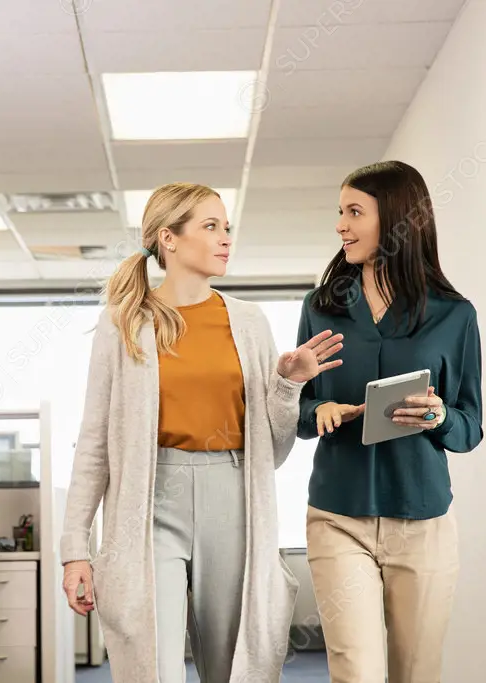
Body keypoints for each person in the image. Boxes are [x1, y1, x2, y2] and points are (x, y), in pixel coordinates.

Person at [59, 182, 344, 683]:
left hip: (232, 496)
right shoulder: (124, 322)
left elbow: (272, 452)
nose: (225, 237)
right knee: (153, 666)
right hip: (148, 505)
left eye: (226, 227)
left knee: (232, 665)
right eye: (210, 226)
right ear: (168, 238)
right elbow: (95, 443)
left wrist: (288, 385)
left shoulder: (249, 323)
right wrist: (74, 549)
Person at [295, 161, 484, 683]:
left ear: (398, 220)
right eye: (340, 212)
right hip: (338, 517)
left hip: (423, 522)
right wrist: (317, 410)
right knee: (356, 672)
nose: (341, 225)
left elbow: (470, 426)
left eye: (354, 212)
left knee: (415, 673)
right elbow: (299, 410)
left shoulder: (454, 315)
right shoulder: (321, 308)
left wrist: (441, 415)